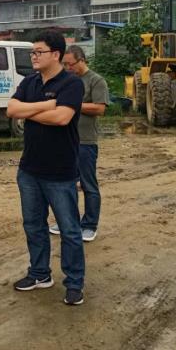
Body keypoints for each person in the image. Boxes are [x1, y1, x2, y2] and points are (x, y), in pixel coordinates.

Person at [6, 30, 86, 305]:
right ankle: (40, 274)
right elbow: (11, 109)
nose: (34, 56)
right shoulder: (30, 81)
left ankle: (74, 283)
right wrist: (46, 105)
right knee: (33, 225)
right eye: (33, 52)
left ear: (56, 54)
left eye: (38, 52)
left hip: (60, 172)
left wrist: (30, 111)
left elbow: (62, 118)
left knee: (69, 230)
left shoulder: (71, 84)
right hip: (29, 169)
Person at [50, 45, 109, 242]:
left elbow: (100, 109)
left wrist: (73, 104)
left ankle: (90, 225)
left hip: (85, 141)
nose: (67, 68)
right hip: (64, 141)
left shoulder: (96, 81)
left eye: (71, 64)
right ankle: (68, 221)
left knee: (88, 185)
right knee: (66, 184)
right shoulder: (65, 81)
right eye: (64, 64)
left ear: (82, 60)